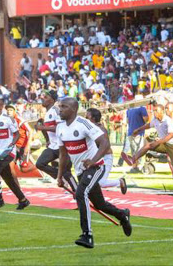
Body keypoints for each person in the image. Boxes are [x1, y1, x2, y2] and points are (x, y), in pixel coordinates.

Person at [56, 98, 131, 249]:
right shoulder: (60, 128)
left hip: (96, 167)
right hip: (81, 170)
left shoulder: (84, 123)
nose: (60, 109)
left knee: (80, 193)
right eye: (60, 106)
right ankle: (122, 215)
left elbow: (105, 143)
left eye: (64, 107)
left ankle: (87, 235)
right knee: (100, 204)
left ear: (73, 109)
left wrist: (93, 160)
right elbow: (63, 154)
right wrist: (59, 176)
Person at [126, 104, 173, 189]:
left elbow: (171, 135)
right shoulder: (155, 119)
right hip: (164, 144)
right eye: (153, 110)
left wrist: (158, 142)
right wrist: (138, 130)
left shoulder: (168, 120)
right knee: (148, 145)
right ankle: (134, 159)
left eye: (156, 110)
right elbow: (149, 125)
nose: (154, 112)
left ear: (162, 111)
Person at [0, 98, 30, 210]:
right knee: (8, 178)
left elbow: (17, 134)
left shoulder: (8, 119)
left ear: (2, 106)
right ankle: (23, 200)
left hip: (8, 152)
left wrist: (12, 144)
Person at [35, 90, 77, 191]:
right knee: (39, 163)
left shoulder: (56, 110)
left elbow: (60, 127)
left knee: (67, 171)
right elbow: (51, 129)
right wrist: (48, 139)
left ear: (52, 100)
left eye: (46, 97)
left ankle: (78, 193)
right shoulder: (48, 112)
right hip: (53, 145)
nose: (42, 98)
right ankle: (59, 175)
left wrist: (43, 128)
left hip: (62, 145)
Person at [85, 108, 127, 194]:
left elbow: (105, 146)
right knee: (87, 180)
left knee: (101, 182)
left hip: (105, 158)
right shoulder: (89, 128)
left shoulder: (100, 129)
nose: (85, 118)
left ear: (93, 118)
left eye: (87, 116)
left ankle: (120, 181)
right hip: (95, 158)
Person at [118, 96, 148, 171]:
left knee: (133, 151)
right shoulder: (142, 108)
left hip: (130, 132)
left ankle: (134, 166)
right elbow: (146, 119)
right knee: (140, 150)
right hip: (139, 132)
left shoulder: (129, 109)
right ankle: (140, 166)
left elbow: (128, 121)